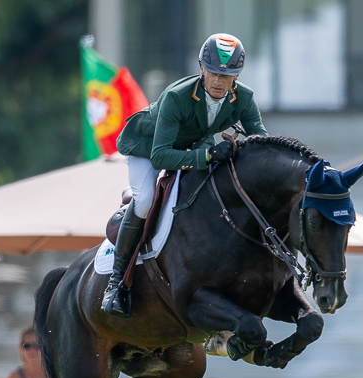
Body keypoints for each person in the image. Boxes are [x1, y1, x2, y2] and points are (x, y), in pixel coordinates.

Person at [103, 33, 269, 318]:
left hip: (193, 144)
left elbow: (261, 142)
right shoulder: (176, 96)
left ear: (237, 76)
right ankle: (116, 282)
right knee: (145, 201)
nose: (218, 81)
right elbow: (161, 156)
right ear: (202, 68)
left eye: (226, 76)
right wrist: (208, 156)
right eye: (213, 72)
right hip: (148, 147)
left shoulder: (244, 98)